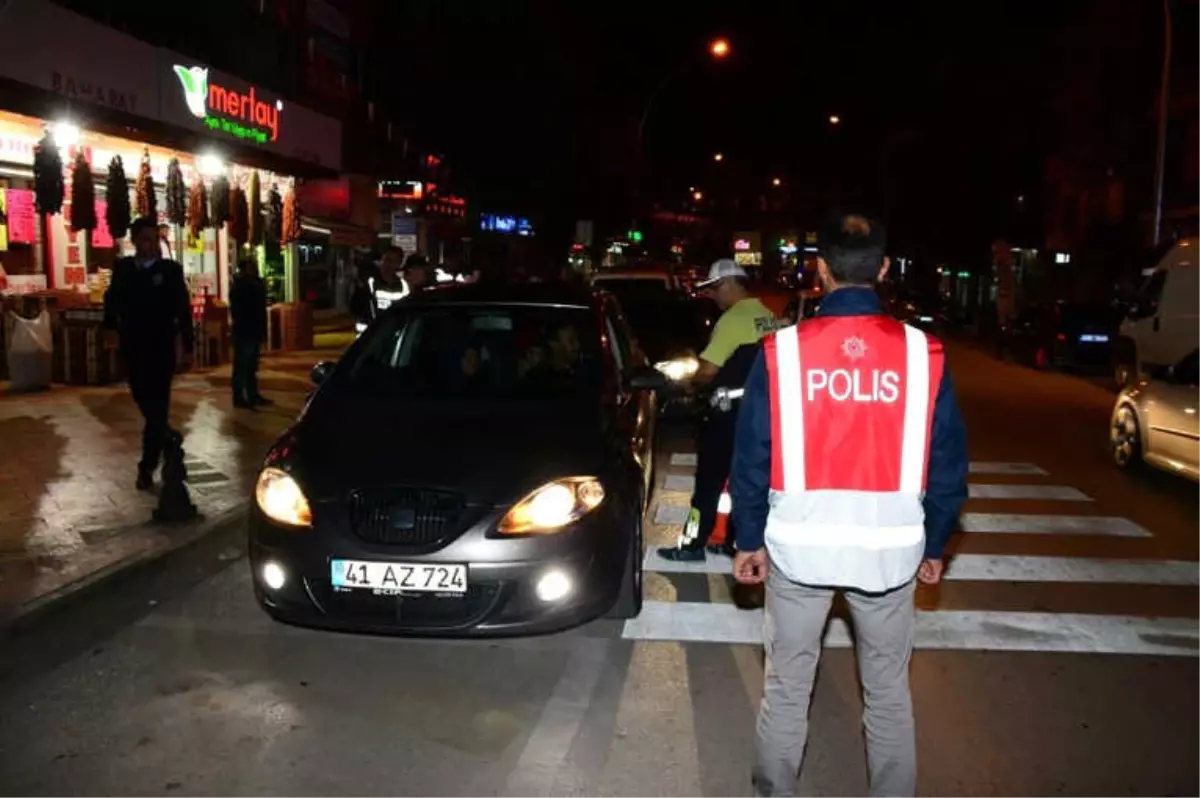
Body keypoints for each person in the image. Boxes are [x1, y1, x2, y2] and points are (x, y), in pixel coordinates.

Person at [729, 213, 969, 798]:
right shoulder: (923, 353)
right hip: (889, 555)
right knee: (887, 695)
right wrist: (935, 545)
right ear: (884, 268)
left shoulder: (782, 351)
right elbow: (948, 466)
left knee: (787, 689)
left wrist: (747, 538)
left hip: (798, 549)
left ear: (821, 268)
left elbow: (753, 455)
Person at [658, 258, 778, 562]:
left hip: (728, 415)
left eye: (714, 289)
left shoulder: (733, 320)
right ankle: (736, 542)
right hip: (760, 416)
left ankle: (691, 544)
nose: (712, 296)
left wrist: (690, 382)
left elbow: (709, 369)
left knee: (708, 484)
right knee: (747, 482)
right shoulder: (766, 315)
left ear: (728, 285)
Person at [103, 216, 195, 491]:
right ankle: (168, 438)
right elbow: (112, 302)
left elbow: (183, 310)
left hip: (161, 349)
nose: (151, 244)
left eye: (155, 238)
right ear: (134, 241)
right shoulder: (124, 269)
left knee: (157, 407)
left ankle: (146, 467)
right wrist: (110, 329)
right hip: (133, 348)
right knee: (145, 403)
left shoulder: (170, 271)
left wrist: (188, 347)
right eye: (145, 238)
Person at [229, 258, 270, 409]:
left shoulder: (253, 284)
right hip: (245, 330)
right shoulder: (241, 286)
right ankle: (239, 396)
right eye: (252, 267)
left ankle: (252, 394)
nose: (255, 269)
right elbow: (241, 309)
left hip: (253, 329)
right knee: (242, 365)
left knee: (252, 366)